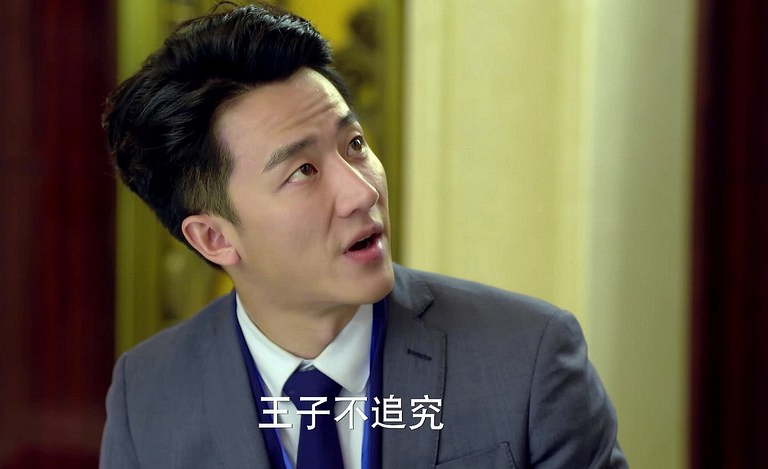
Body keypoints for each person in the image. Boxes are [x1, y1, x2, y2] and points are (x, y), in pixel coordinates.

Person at [99, 4, 627, 468]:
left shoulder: (527, 358)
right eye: (303, 171)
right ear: (214, 238)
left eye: (353, 144)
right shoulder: (145, 397)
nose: (362, 191)